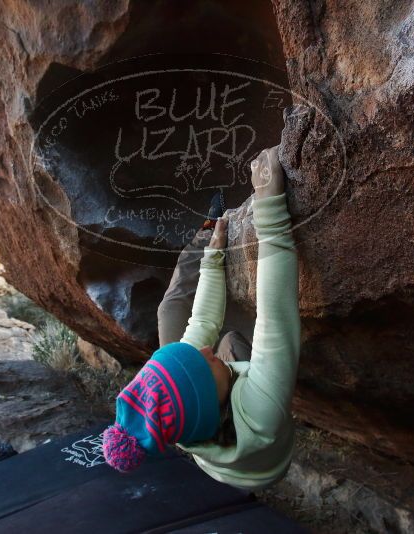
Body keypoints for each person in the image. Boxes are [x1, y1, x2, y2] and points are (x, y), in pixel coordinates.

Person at [102, 145, 300, 490]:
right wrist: (268, 208)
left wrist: (212, 257)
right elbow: (275, 318)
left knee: (170, 313)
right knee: (230, 343)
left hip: (213, 401)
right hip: (262, 460)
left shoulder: (176, 418)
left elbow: (201, 325)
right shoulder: (259, 417)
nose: (205, 351)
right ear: (208, 397)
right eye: (202, 361)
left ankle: (207, 228)